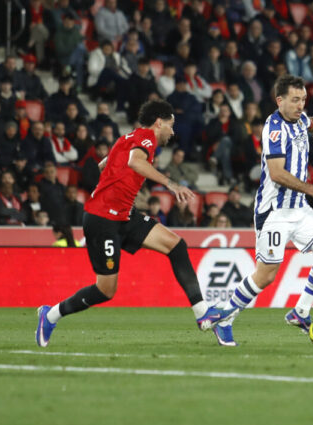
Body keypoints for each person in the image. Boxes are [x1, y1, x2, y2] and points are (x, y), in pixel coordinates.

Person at [35, 101, 234, 348]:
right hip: (103, 219)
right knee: (105, 290)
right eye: (170, 125)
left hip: (124, 214)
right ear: (158, 122)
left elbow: (103, 165)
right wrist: (170, 184)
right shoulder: (147, 139)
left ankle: (203, 313)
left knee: (176, 245)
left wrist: (116, 181)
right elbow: (135, 162)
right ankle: (50, 315)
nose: (172, 132)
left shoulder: (128, 138)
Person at [213, 75, 313, 347]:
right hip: (275, 211)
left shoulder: (299, 119)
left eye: (303, 100)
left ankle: (300, 311)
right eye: (295, 100)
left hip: (298, 208)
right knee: (266, 275)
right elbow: (276, 173)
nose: (301, 105)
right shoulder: (274, 129)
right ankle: (224, 319)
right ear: (280, 101)